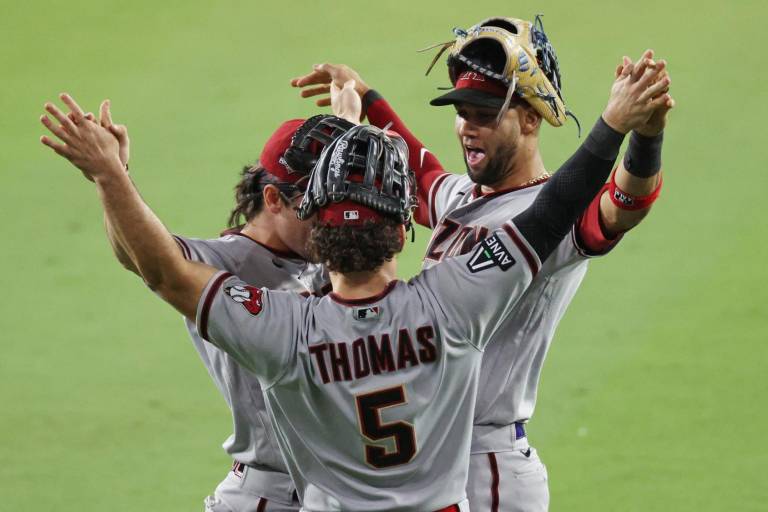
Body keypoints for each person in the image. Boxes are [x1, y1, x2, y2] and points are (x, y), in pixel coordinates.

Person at [39, 60, 662, 510]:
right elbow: (551, 212)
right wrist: (618, 125)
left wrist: (109, 177)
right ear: (400, 236)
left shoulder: (284, 329)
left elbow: (164, 271)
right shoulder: (453, 302)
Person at [290, 16, 673, 512]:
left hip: (486, 467)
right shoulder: (464, 197)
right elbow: (420, 170)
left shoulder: (552, 219)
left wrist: (644, 135)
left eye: (485, 115)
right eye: (462, 112)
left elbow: (623, 205)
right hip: (433, 456)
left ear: (531, 118)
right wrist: (367, 96)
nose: (467, 129)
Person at [83, 101, 354, 511]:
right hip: (272, 495)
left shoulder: (319, 248)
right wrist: (111, 176)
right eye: (317, 206)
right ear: (274, 199)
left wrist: (349, 119)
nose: (333, 219)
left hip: (340, 492)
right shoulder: (223, 265)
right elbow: (150, 261)